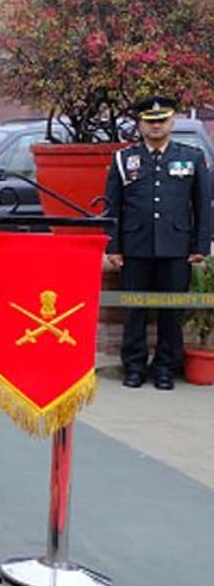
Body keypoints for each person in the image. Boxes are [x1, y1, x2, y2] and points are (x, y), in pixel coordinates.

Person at [104, 95, 211, 390]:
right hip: (135, 247)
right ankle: (134, 367)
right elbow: (112, 207)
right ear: (140, 125)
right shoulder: (124, 160)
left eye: (161, 121)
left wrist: (200, 246)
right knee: (135, 309)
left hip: (177, 248)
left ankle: (165, 367)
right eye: (149, 122)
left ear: (172, 121)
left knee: (170, 312)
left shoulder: (191, 157)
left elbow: (203, 206)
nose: (155, 126)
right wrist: (113, 247)